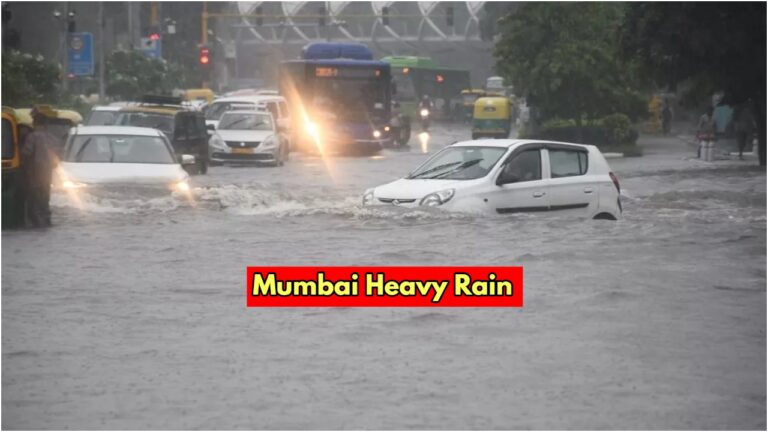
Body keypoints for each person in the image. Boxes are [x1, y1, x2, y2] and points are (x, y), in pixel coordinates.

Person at [20, 106, 60, 228]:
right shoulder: (52, 138)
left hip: (34, 174)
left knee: (34, 201)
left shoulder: (33, 137)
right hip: (47, 175)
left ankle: (37, 224)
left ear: (35, 122)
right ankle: (46, 221)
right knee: (45, 200)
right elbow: (57, 158)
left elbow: (26, 154)